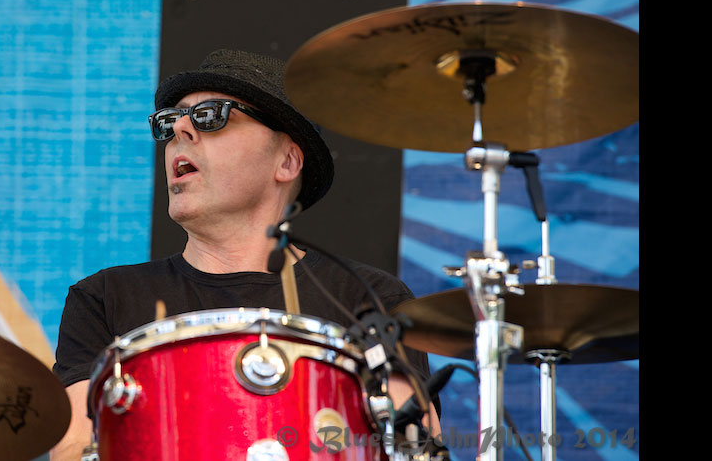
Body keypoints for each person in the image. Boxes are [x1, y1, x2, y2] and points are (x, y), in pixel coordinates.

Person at [49, 49, 440, 460]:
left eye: (211, 116)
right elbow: (75, 448)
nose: (180, 128)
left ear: (287, 161)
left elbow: (415, 446)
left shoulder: (370, 299)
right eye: (170, 121)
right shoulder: (104, 298)